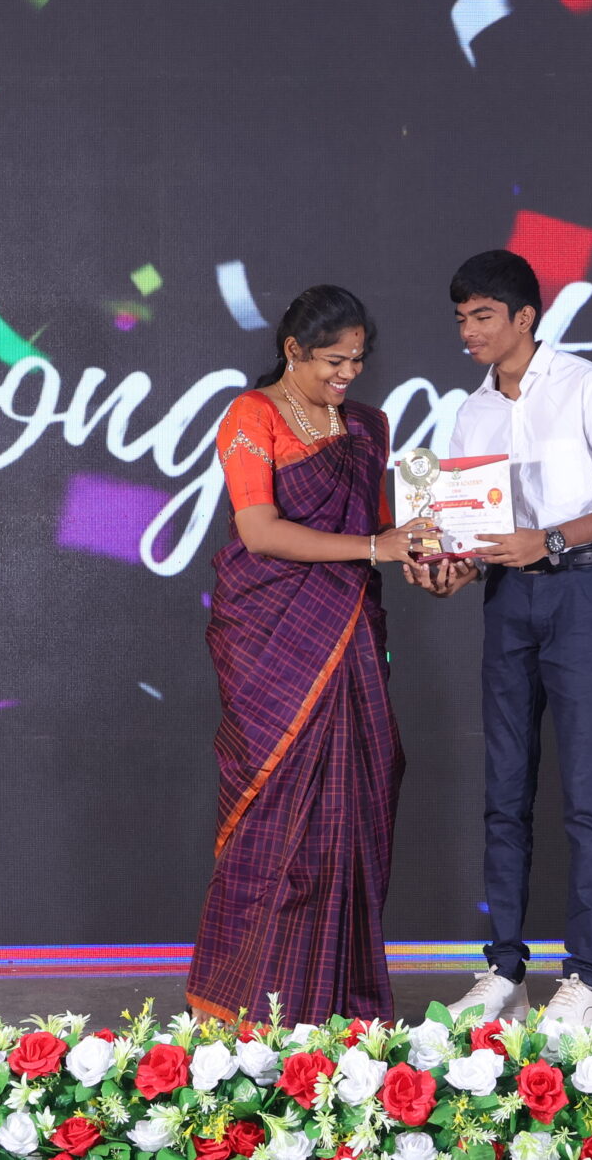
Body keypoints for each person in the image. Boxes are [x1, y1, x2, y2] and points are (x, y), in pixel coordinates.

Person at [405, 250, 592, 1032]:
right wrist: (446, 567)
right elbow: (462, 528)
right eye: (460, 318)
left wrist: (546, 539)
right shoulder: (470, 411)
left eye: (482, 315)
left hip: (577, 591)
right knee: (504, 791)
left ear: (524, 317)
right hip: (506, 598)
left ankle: (586, 978)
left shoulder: (586, 385)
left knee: (586, 794)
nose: (468, 331)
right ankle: (505, 970)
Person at [189, 284, 438, 1025]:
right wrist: (375, 548)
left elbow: (383, 531)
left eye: (358, 360)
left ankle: (336, 1004)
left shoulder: (369, 425)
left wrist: (429, 558)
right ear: (293, 350)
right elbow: (259, 531)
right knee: (274, 823)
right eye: (333, 360)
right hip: (273, 639)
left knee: (353, 811)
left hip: (352, 635)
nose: (348, 374)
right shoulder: (251, 415)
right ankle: (244, 1006)